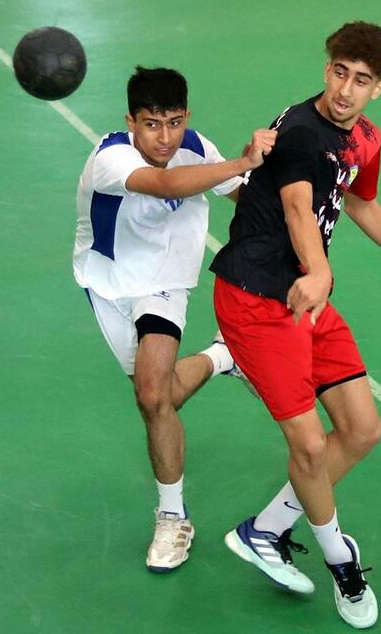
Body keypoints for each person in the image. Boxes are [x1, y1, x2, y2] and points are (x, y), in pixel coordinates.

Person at [210, 22, 381, 629]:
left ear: (379, 88)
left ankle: (265, 529)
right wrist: (320, 271)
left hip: (303, 298)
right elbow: (296, 208)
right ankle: (341, 561)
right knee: (311, 447)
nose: (345, 90)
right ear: (326, 68)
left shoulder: (365, 138)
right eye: (339, 73)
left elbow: (360, 200)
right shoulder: (300, 132)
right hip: (256, 298)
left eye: (361, 80)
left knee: (362, 430)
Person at [74, 67, 275, 573]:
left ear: (187, 116)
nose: (165, 138)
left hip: (164, 282)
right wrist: (240, 161)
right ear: (131, 122)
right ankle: (223, 356)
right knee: (158, 398)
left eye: (175, 123)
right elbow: (164, 184)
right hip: (107, 284)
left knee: (150, 396)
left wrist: (297, 197)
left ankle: (172, 516)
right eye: (152, 124)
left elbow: (247, 197)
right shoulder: (110, 157)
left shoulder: (197, 147)